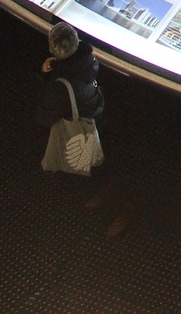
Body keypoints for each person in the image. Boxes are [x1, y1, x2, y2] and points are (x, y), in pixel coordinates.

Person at [39, 23, 135, 237]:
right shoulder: (88, 59)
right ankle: (108, 197)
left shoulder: (59, 85)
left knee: (99, 169)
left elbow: (45, 117)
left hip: (84, 129)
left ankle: (122, 209)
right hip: (99, 116)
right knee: (106, 164)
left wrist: (47, 77)